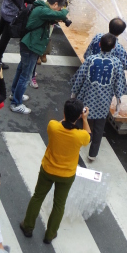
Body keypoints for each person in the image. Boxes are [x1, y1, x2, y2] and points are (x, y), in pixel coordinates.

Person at [20, 98, 91, 243]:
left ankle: (28, 226)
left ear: (64, 112)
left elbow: (60, 124)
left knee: (37, 197)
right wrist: (84, 119)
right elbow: (88, 135)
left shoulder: (53, 126)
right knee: (59, 204)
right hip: (66, 174)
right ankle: (50, 234)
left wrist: (68, 117)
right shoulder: (80, 136)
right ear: (78, 116)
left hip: (48, 169)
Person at [71, 34, 127, 160]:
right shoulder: (117, 63)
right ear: (114, 47)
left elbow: (80, 78)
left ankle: (79, 144)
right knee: (99, 127)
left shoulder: (91, 59)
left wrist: (74, 94)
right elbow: (119, 85)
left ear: (99, 44)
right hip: (103, 101)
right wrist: (118, 103)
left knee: (83, 121)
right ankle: (93, 154)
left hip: (87, 97)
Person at [11, 0, 70, 114]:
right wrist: (65, 11)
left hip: (29, 44)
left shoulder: (41, 8)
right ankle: (16, 103)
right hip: (31, 46)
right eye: (58, 8)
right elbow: (60, 14)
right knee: (26, 75)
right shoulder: (43, 10)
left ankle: (15, 94)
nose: (58, 10)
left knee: (21, 69)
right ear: (54, 4)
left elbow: (53, 17)